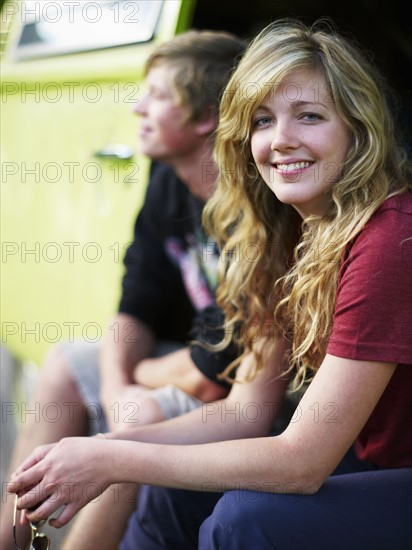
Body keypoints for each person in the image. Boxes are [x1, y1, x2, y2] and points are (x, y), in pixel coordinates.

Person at [9, 17, 412, 550]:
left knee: (245, 519)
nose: (281, 140)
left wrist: (110, 456)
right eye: (263, 121)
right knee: (171, 489)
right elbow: (247, 412)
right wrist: (114, 443)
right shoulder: (289, 229)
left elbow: (303, 463)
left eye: (310, 116)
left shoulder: (390, 238)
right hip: (370, 454)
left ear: (358, 129)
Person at [0, 30, 245, 550]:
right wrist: (115, 389)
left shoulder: (254, 206)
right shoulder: (169, 181)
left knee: (139, 420)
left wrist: (135, 390)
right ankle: (9, 537)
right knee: (69, 361)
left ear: (205, 118)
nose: (136, 108)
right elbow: (135, 301)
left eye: (157, 95)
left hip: (252, 395)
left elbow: (216, 367)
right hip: (192, 362)